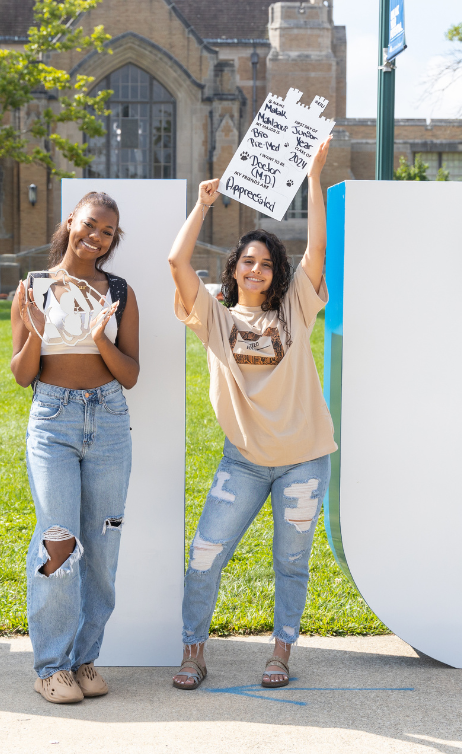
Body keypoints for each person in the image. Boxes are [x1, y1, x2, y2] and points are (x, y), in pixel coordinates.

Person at [167, 138, 337, 690]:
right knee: (204, 556)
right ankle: (193, 652)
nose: (257, 269)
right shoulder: (213, 317)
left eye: (266, 263)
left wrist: (313, 177)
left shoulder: (296, 310)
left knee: (291, 563)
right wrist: (202, 205)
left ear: (276, 271)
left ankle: (281, 654)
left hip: (303, 462)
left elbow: (317, 253)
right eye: (248, 262)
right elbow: (175, 261)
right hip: (241, 461)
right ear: (235, 269)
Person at [10, 191, 140, 704]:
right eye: (89, 225)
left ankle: (85, 660)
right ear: (71, 221)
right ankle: (51, 667)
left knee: (102, 549)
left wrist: (101, 338)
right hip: (53, 422)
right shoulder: (32, 289)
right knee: (57, 542)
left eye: (107, 232)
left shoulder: (120, 292)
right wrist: (36, 334)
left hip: (108, 422)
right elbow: (22, 376)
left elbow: (130, 374)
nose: (96, 237)